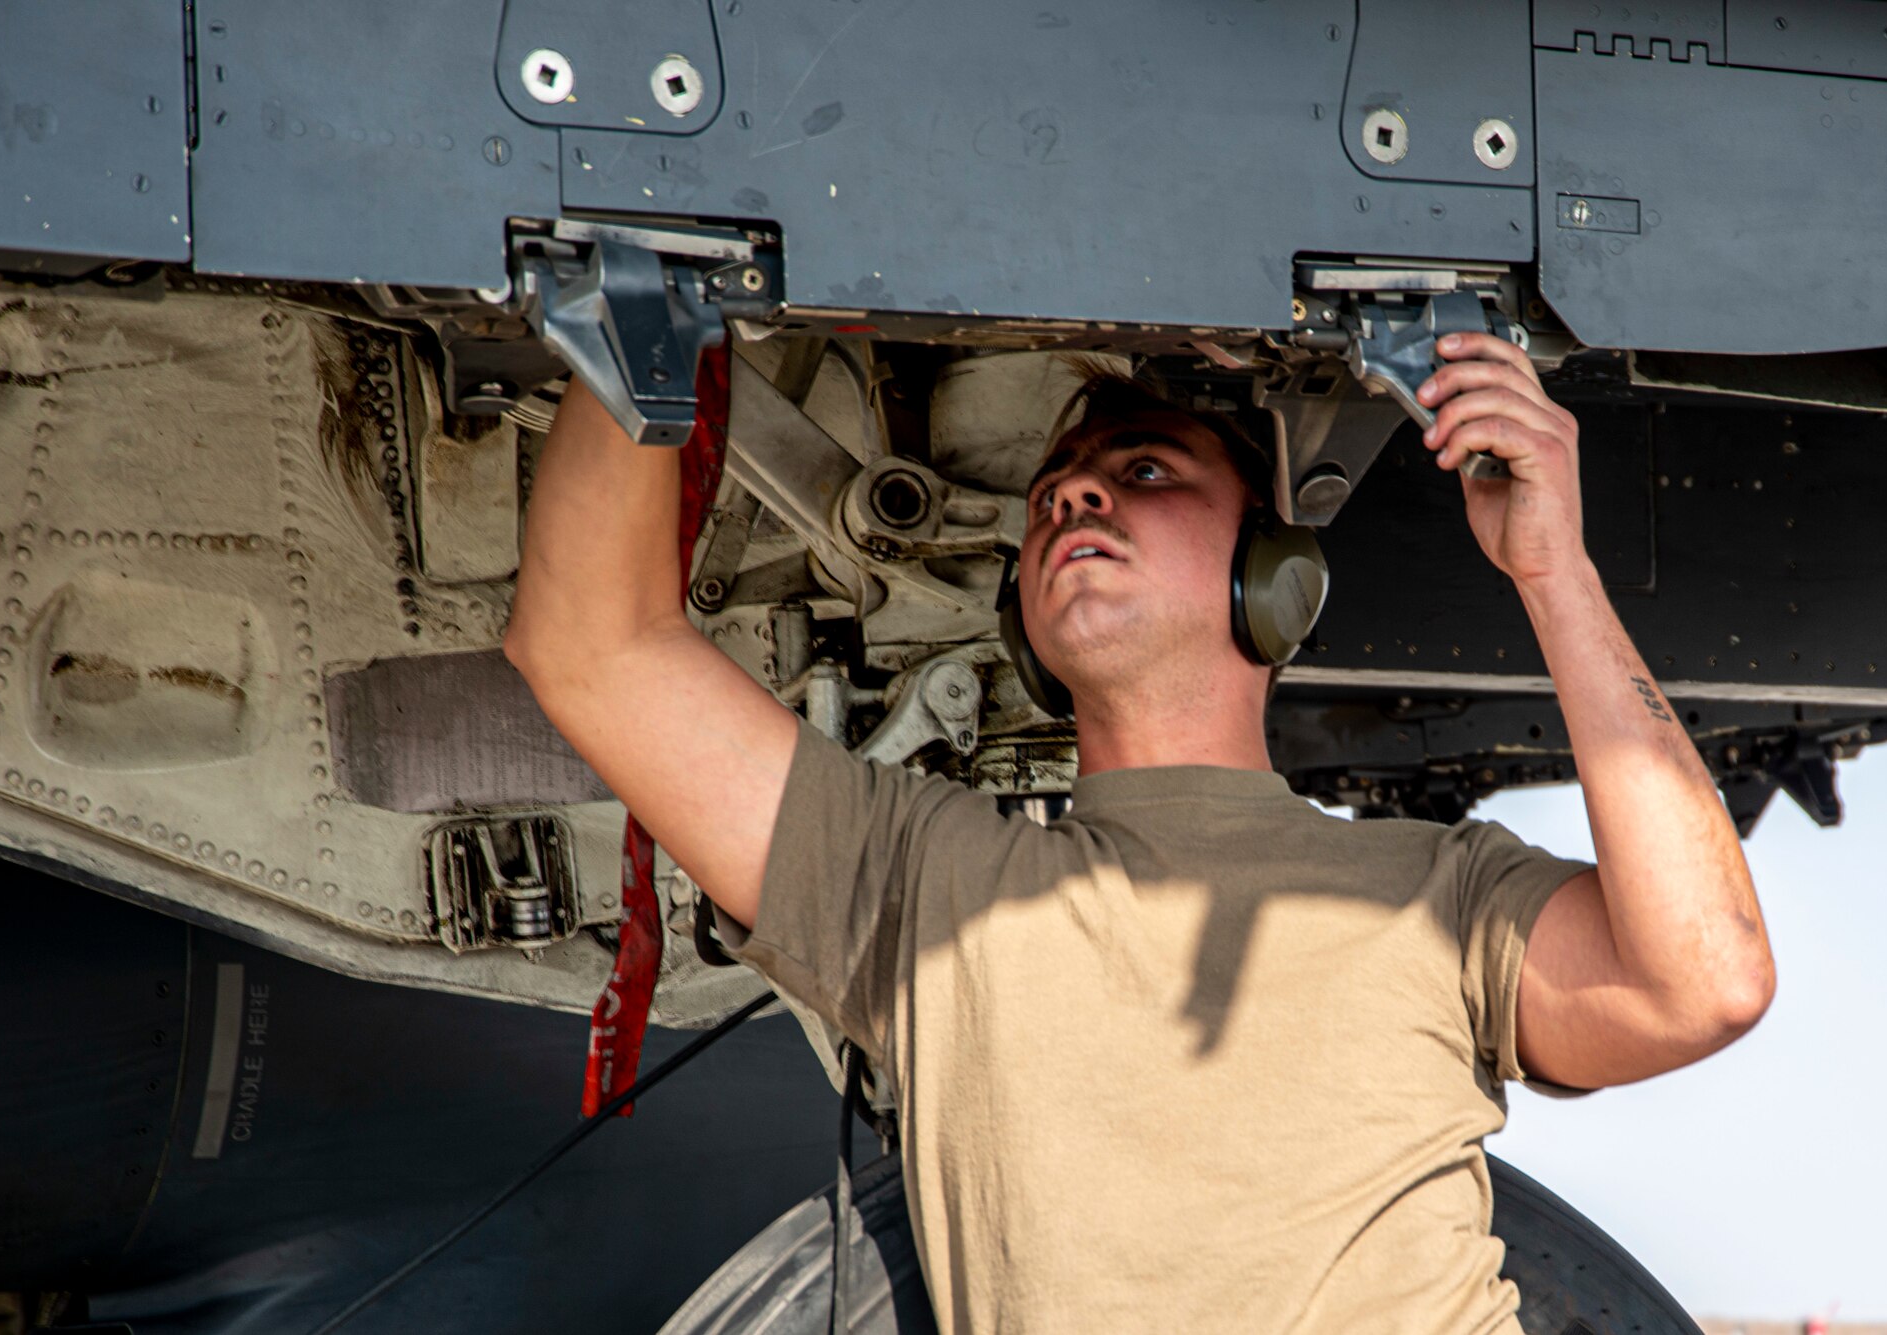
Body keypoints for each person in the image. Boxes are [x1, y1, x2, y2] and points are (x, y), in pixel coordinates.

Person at [503, 332, 1775, 1334]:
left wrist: (1553, 573)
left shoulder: (1434, 895)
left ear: (1270, 576)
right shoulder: (925, 886)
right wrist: (641, 318)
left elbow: (1699, 980)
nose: (1074, 500)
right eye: (1055, 496)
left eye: (1144, 471)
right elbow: (597, 649)